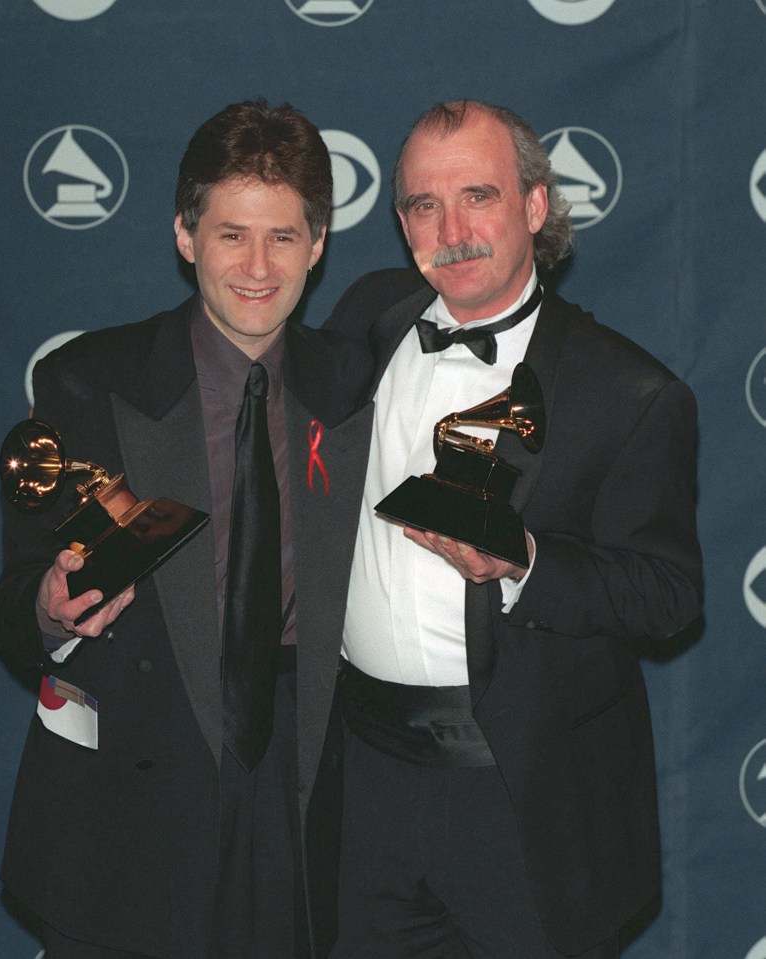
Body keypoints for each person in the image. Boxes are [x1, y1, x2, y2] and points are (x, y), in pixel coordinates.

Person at [0, 99, 370, 959]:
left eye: (284, 236)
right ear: (184, 234)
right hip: (129, 805)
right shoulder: (86, 383)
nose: (258, 266)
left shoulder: (355, 386)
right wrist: (52, 609)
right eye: (232, 234)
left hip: (300, 792)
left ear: (318, 244)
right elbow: (14, 602)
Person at [324, 100, 703, 958]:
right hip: (364, 773)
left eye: (478, 196)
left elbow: (670, 593)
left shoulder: (632, 393)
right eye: (423, 204)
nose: (451, 228)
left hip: (524, 786)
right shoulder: (367, 318)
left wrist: (527, 561)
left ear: (535, 207)